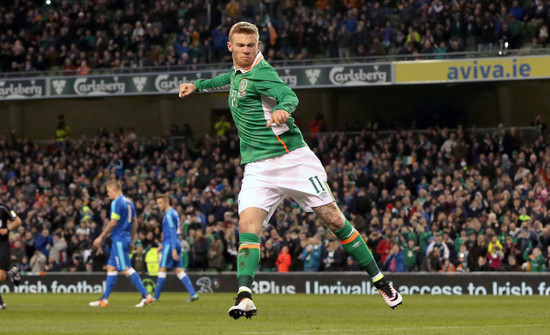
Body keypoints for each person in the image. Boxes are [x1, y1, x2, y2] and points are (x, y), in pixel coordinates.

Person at [178, 21, 402, 320]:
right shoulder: (238, 72)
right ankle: (244, 295)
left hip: (292, 160)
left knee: (334, 220)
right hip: (258, 167)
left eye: (251, 45)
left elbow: (289, 95)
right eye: (241, 45)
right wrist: (197, 86)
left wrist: (285, 108)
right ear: (230, 47)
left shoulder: (264, 73)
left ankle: (380, 282)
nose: (246, 50)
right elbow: (227, 80)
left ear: (258, 46)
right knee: (247, 225)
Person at [89, 180, 153, 307]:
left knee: (125, 269)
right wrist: (132, 240)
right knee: (111, 268)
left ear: (113, 189)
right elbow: (135, 222)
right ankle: (104, 299)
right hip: (124, 238)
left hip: (119, 239)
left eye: (108, 191)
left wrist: (101, 237)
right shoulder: (129, 202)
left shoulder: (116, 202)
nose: (108, 194)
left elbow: (113, 222)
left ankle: (146, 295)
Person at [153, 193, 198, 302]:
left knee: (162, 268)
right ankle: (193, 294)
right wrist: (163, 245)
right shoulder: (174, 213)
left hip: (171, 244)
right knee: (178, 270)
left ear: (166, 202)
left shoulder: (168, 214)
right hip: (176, 242)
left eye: (160, 203)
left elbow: (172, 232)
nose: (158, 205)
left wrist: (172, 249)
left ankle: (156, 297)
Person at [0, 204, 22, 309]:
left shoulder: (4, 208)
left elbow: (17, 220)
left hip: (2, 245)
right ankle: (12, 273)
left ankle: (11, 273)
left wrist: (7, 229)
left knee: (1, 277)